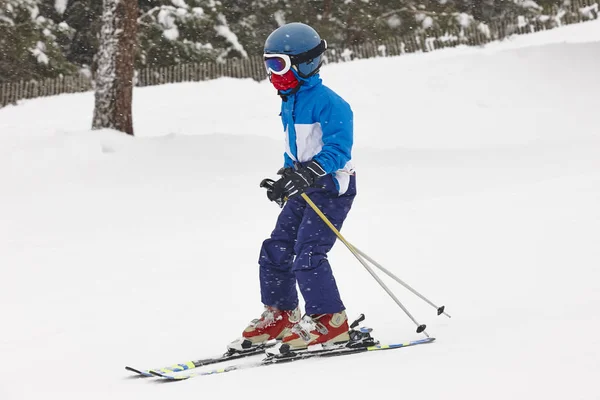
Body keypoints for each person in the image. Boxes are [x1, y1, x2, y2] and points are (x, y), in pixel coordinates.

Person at [231, 22, 356, 352]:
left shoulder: (331, 103)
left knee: (308, 252)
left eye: (279, 64)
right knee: (277, 247)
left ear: (305, 63)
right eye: (269, 63)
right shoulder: (290, 100)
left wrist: (312, 172)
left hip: (331, 188)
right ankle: (282, 312)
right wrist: (288, 178)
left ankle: (331, 320)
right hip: (304, 187)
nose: (273, 73)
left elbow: (337, 149)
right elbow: (294, 147)